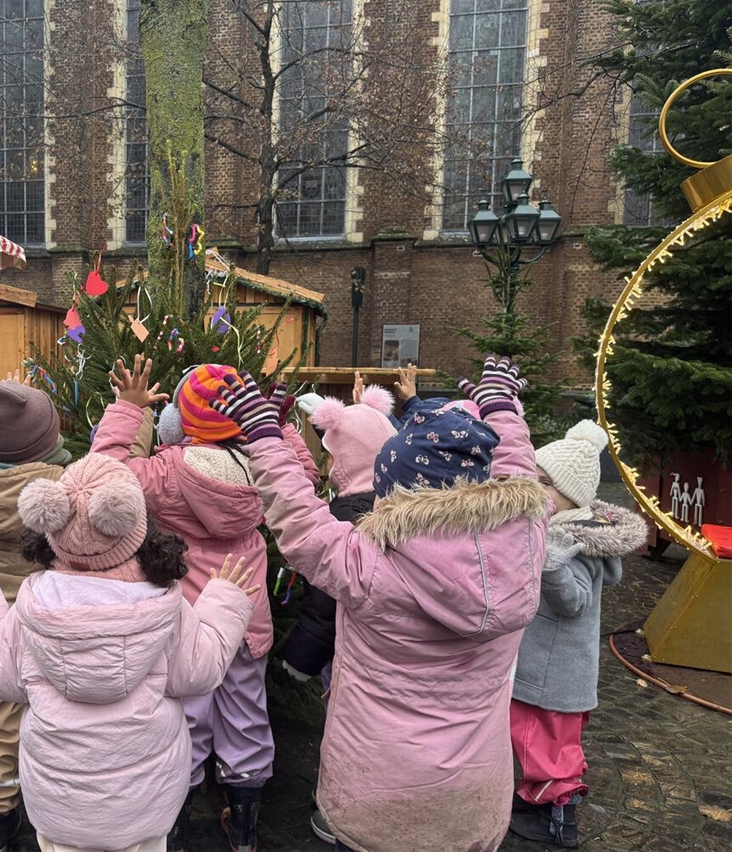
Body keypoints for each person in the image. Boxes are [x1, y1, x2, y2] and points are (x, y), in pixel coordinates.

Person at [208, 356, 549, 852]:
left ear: (392, 491)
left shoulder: (367, 563)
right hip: (473, 797)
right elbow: (518, 471)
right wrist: (502, 408)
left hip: (375, 791)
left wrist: (263, 435)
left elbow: (300, 521)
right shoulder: (524, 541)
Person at [0, 453, 258, 852]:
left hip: (60, 807)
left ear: (52, 524)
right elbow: (202, 671)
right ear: (133, 525)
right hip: (146, 803)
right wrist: (225, 601)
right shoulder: (162, 604)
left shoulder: (34, 605)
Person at [94, 356, 319, 852]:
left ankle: (174, 827)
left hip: (187, 630)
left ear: (178, 420)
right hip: (244, 619)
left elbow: (104, 476)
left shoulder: (166, 469)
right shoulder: (262, 467)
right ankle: (244, 827)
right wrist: (277, 429)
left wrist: (128, 409)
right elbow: (304, 476)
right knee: (245, 713)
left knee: (186, 718)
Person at [509, 420, 646, 848]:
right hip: (544, 672)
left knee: (548, 747)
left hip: (555, 677)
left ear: (572, 495)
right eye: (533, 477)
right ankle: (535, 799)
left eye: (545, 483)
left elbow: (574, 602)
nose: (536, 489)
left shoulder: (572, 542)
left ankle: (558, 820)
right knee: (533, 742)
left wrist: (549, 562)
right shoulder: (557, 529)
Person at [0, 374, 73, 852]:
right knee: (57, 708)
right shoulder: (57, 487)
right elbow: (114, 465)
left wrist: (8, 410)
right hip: (45, 612)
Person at [282, 383, 396, 844]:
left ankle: (340, 812)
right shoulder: (398, 500)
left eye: (332, 456)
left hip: (348, 656)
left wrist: (300, 659)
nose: (329, 466)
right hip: (388, 659)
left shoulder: (348, 512)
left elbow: (326, 600)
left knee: (346, 730)